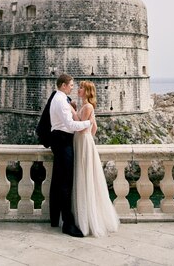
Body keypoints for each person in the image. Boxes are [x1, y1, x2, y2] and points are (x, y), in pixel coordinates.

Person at [72, 80, 120, 237]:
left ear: (86, 91)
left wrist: (72, 112)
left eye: (81, 88)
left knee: (84, 175)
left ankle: (86, 221)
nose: (78, 90)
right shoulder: (86, 107)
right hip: (84, 141)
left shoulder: (87, 107)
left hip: (82, 141)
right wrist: (88, 139)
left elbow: (83, 125)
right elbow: (95, 127)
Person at [49, 73, 92, 237]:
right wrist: (89, 122)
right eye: (72, 85)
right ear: (64, 85)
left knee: (61, 181)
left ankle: (59, 219)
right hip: (62, 141)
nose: (73, 88)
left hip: (61, 140)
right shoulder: (60, 101)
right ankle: (68, 223)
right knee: (65, 182)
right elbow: (70, 124)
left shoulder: (60, 99)